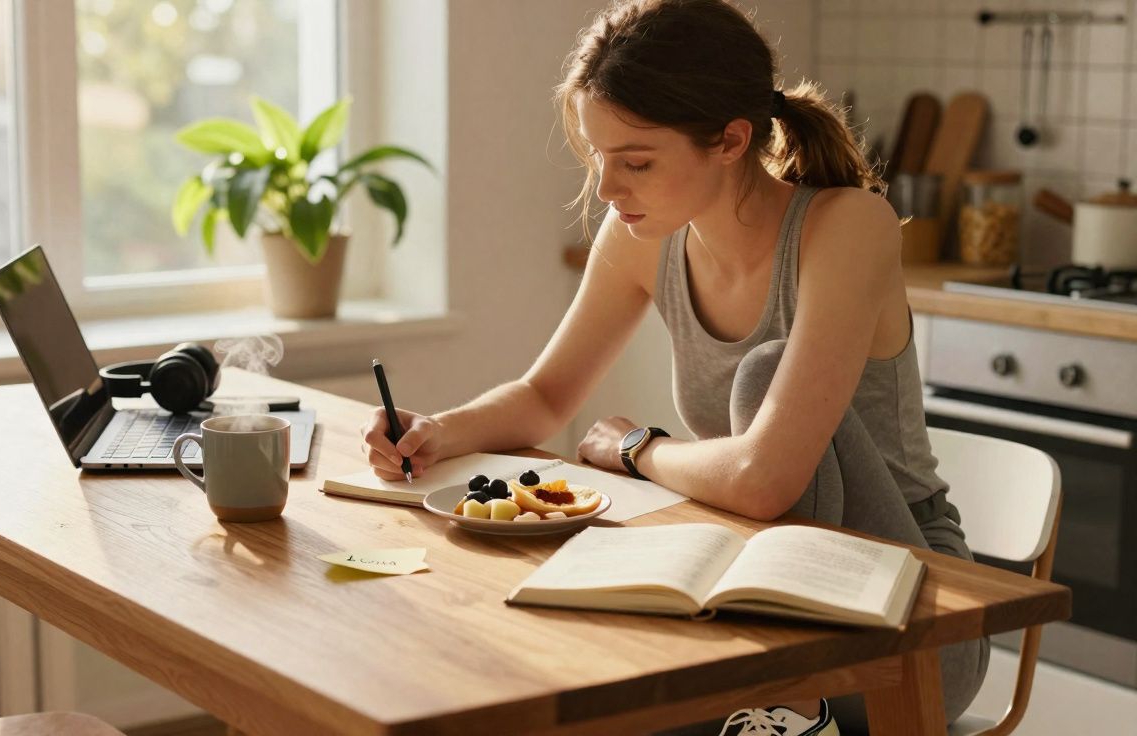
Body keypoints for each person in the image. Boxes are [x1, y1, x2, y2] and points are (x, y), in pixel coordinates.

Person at [359, 1, 989, 733]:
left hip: (914, 618)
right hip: (756, 603)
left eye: (636, 162)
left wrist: (640, 450)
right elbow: (543, 395)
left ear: (730, 140)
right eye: (598, 157)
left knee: (763, 374)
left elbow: (763, 480)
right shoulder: (642, 238)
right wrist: (437, 429)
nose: (606, 189)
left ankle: (792, 707)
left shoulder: (848, 226)